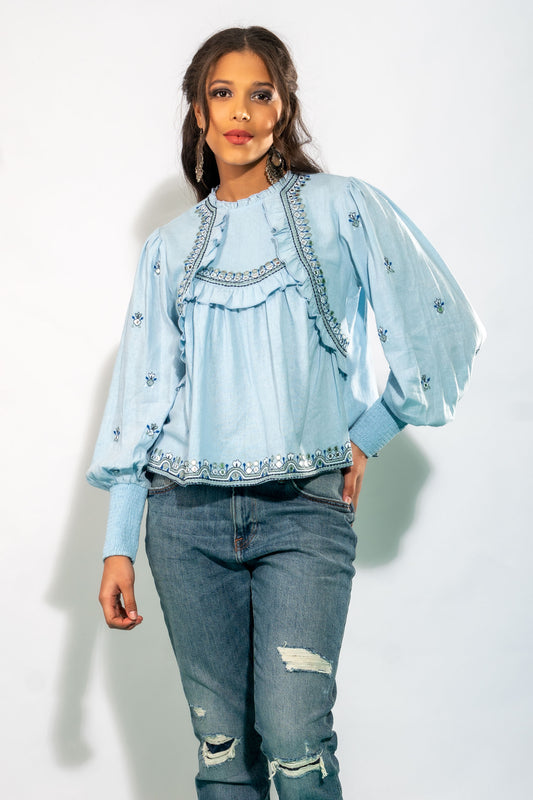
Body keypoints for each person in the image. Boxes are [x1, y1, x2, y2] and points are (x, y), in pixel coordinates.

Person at [87, 25, 485, 800]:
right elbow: (140, 399)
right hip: (183, 519)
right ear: (198, 113)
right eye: (221, 93)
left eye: (259, 93)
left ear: (284, 107)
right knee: (222, 753)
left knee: (297, 746)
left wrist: (367, 433)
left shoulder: (342, 207)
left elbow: (440, 330)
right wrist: (116, 544)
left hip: (303, 514)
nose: (240, 112)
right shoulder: (169, 248)